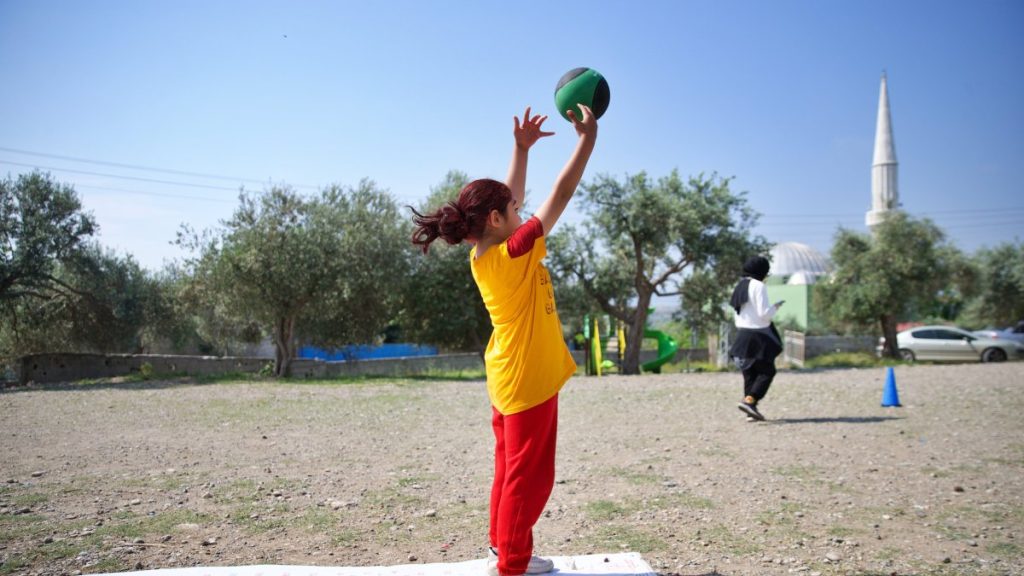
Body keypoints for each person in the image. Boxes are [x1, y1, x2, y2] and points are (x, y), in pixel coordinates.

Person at [410, 104, 598, 576]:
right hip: (527, 379)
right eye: (515, 207)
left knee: (510, 470)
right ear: (495, 218)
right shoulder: (514, 250)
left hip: (510, 373)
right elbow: (563, 192)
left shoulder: (484, 251)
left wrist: (520, 149)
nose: (522, 208)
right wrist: (587, 140)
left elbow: (508, 198)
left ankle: (504, 548)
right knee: (529, 479)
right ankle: (512, 564)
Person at [728, 256, 784, 421]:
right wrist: (776, 307)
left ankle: (749, 411)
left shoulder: (740, 285)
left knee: (749, 373)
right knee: (767, 371)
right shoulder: (758, 285)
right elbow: (764, 315)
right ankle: (750, 401)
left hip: (742, 334)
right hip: (758, 336)